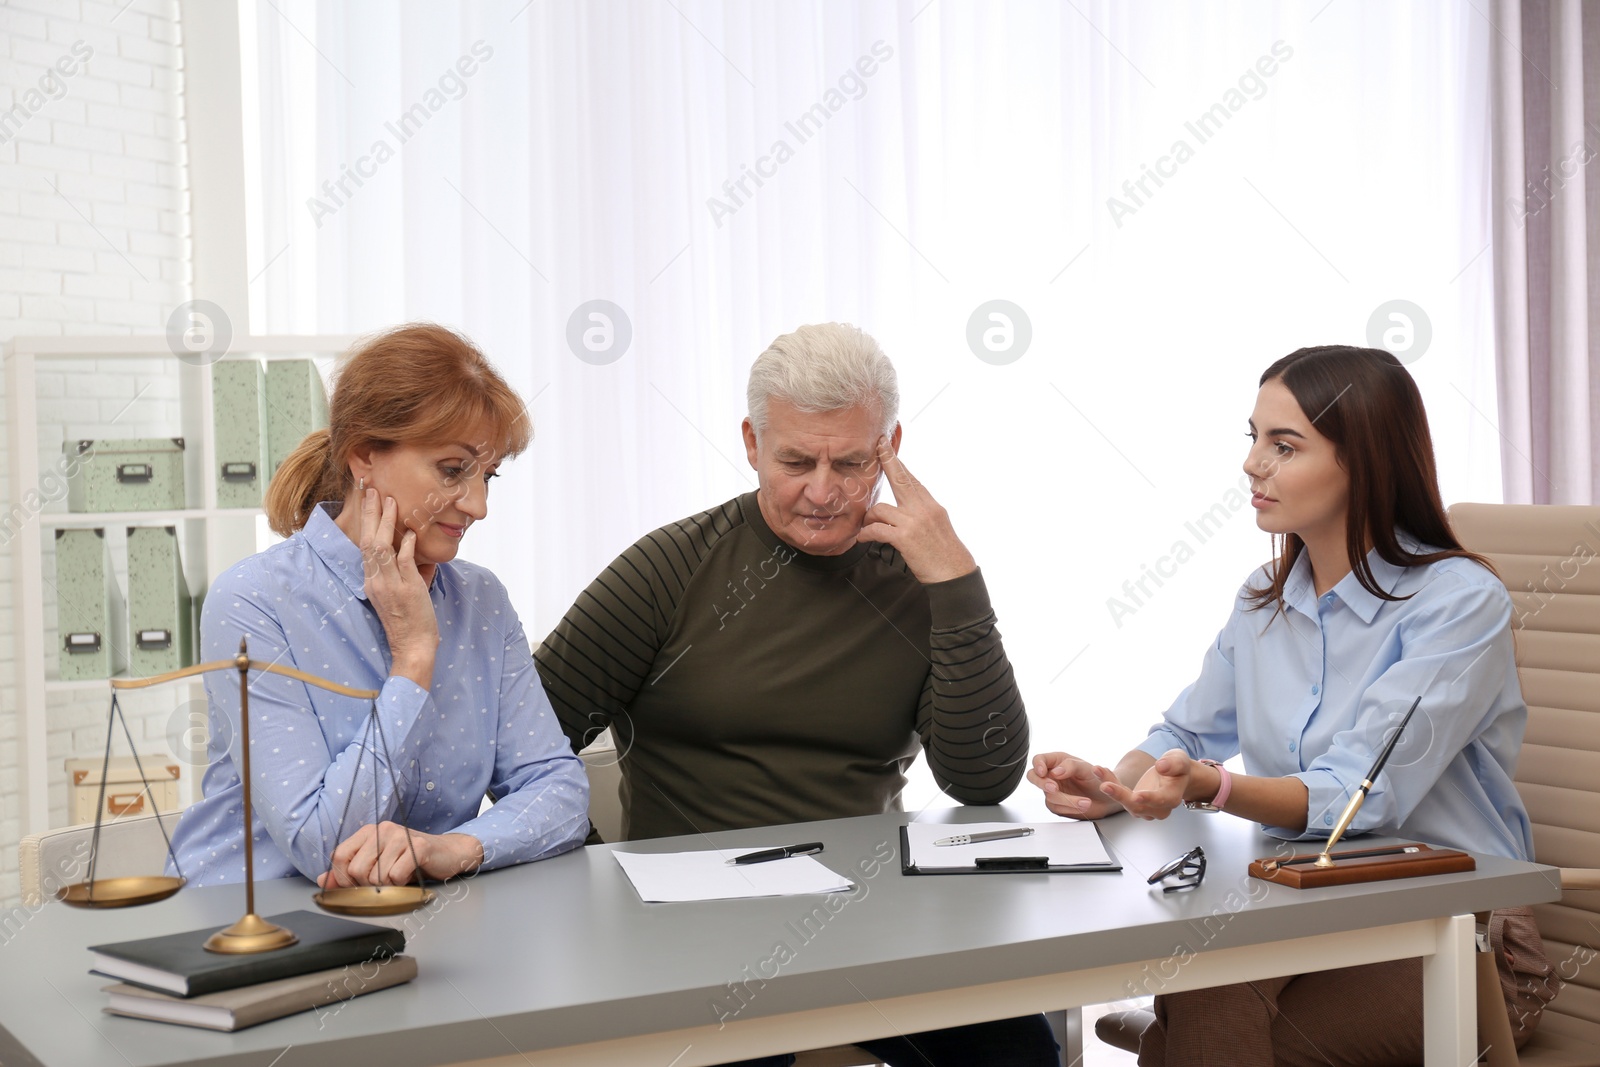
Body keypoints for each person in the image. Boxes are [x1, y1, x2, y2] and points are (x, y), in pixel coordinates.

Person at [535, 323, 1056, 1066]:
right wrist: (607, 891)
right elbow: (524, 751)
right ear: (752, 442)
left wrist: (957, 583)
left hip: (869, 921)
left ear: (890, 445)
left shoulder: (920, 581)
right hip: (691, 935)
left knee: (1019, 1054)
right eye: (795, 460)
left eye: (850, 462)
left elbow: (982, 778)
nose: (822, 490)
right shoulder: (669, 570)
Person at [1029, 345, 1559, 1065]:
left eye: (1284, 445)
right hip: (1312, 912)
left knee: (1190, 1023)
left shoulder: (1459, 604)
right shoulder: (1263, 599)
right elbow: (1184, 728)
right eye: (1252, 438)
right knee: (1202, 989)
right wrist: (1118, 784)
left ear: (1363, 461)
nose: (1253, 463)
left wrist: (1211, 785)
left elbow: (1353, 797)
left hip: (1458, 937)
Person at [169, 323, 588, 889]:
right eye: (452, 470)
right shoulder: (254, 603)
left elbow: (559, 790)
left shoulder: (479, 599)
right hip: (249, 931)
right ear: (364, 456)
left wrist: (458, 847)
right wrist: (413, 657)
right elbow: (323, 847)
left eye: (488, 475)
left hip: (415, 924)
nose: (479, 505)